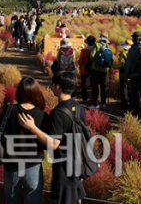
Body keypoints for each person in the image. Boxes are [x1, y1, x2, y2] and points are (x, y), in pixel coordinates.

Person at [18, 72, 87, 204]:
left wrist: (32, 127)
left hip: (64, 167)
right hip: (78, 162)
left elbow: (54, 143)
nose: (52, 87)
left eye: (53, 84)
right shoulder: (79, 107)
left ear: (58, 87)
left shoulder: (58, 113)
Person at [0, 77, 48, 204]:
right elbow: (48, 144)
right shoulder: (42, 116)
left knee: (12, 201)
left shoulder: (9, 111)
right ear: (37, 93)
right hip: (33, 168)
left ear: (19, 92)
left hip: (12, 167)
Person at [125, 31, 141, 117]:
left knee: (134, 94)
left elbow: (128, 65)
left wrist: (126, 76)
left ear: (133, 39)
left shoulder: (132, 50)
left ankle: (135, 112)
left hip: (134, 75)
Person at [89, 33, 112, 110]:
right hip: (104, 70)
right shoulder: (107, 46)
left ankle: (95, 104)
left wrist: (96, 59)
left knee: (95, 87)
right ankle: (103, 103)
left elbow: (92, 56)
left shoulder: (96, 45)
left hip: (96, 69)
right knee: (103, 87)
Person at [114, 38, 132, 114]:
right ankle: (131, 107)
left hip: (123, 75)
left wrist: (113, 66)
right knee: (130, 91)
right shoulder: (133, 52)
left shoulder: (123, 54)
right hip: (132, 75)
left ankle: (124, 108)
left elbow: (121, 65)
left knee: (124, 91)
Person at [78, 36, 95, 104]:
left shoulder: (84, 51)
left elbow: (80, 61)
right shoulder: (95, 50)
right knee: (93, 86)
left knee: (84, 86)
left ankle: (85, 99)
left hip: (84, 70)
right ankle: (93, 99)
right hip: (93, 70)